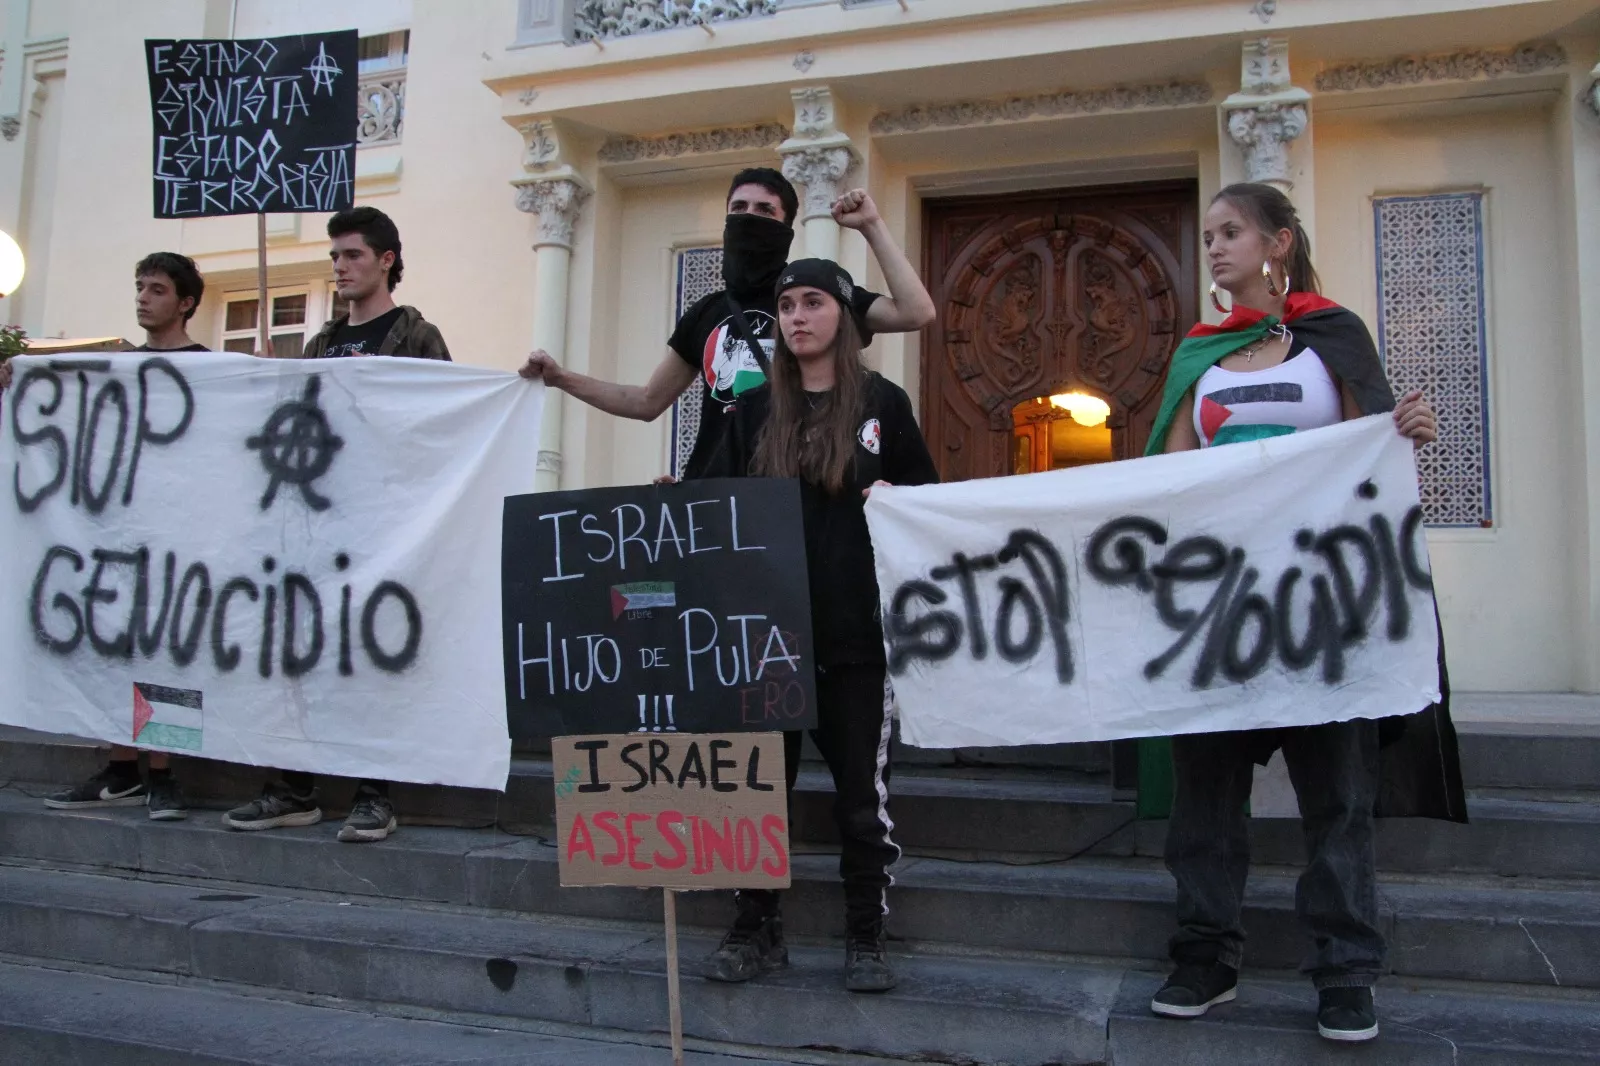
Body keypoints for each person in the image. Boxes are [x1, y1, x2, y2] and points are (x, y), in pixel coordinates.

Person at [1142, 182, 1465, 1043]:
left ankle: (1345, 970)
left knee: (1337, 793)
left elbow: (1375, 464)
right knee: (1206, 794)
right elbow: (1167, 483)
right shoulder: (1198, 354)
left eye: (1231, 232)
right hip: (1221, 612)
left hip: (1323, 606)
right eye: (1208, 234)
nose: (1213, 247)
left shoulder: (1334, 337)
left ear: (1278, 243)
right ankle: (1206, 953)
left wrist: (1411, 432)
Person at [700, 259, 939, 993]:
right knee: (755, 791)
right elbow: (710, 508)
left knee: (860, 804)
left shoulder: (884, 405)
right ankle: (755, 924)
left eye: (813, 303)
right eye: (786, 306)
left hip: (856, 642)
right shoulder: (748, 410)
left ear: (844, 316)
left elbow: (930, 507)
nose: (797, 317)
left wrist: (902, 501)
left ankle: (866, 932)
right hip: (765, 642)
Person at [223, 206, 449, 843]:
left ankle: (374, 792)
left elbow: (440, 422)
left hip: (384, 526)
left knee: (371, 656)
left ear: (386, 260)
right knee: (301, 655)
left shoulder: (416, 336)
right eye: (334, 257)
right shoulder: (319, 344)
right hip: (316, 527)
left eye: (351, 255)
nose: (340, 267)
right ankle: (293, 787)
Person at [518, 168, 935, 479]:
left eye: (764, 210)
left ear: (786, 226)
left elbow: (915, 312)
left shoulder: (809, 294)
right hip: (720, 501)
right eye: (739, 209)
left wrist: (871, 226)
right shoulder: (706, 312)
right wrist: (560, 378)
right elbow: (645, 401)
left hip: (799, 487)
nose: (749, 218)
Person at [9, 252, 211, 821]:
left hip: (179, 533)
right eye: (140, 287)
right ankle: (122, 768)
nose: (144, 298)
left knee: (168, 651)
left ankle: (165, 773)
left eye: (158, 290)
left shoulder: (209, 366)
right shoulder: (117, 366)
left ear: (187, 303)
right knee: (113, 647)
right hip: (114, 531)